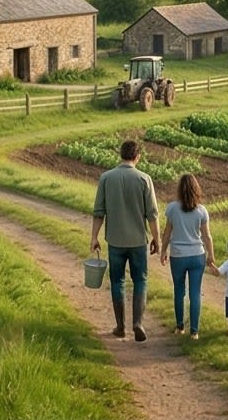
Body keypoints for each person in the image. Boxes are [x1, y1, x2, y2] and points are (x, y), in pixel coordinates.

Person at [91, 139, 160, 342]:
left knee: (117, 281)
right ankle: (137, 323)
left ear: (120, 155)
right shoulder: (144, 179)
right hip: (138, 240)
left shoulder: (106, 178)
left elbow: (98, 212)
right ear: (138, 157)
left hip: (115, 240)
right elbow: (152, 214)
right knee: (140, 280)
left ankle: (120, 326)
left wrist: (94, 237)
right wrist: (156, 239)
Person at [159, 173, 215, 340]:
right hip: (197, 255)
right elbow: (207, 236)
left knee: (179, 291)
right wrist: (211, 255)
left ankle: (180, 327)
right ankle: (195, 331)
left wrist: (163, 251)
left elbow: (167, 233)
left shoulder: (172, 208)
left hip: (178, 255)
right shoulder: (201, 211)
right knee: (195, 293)